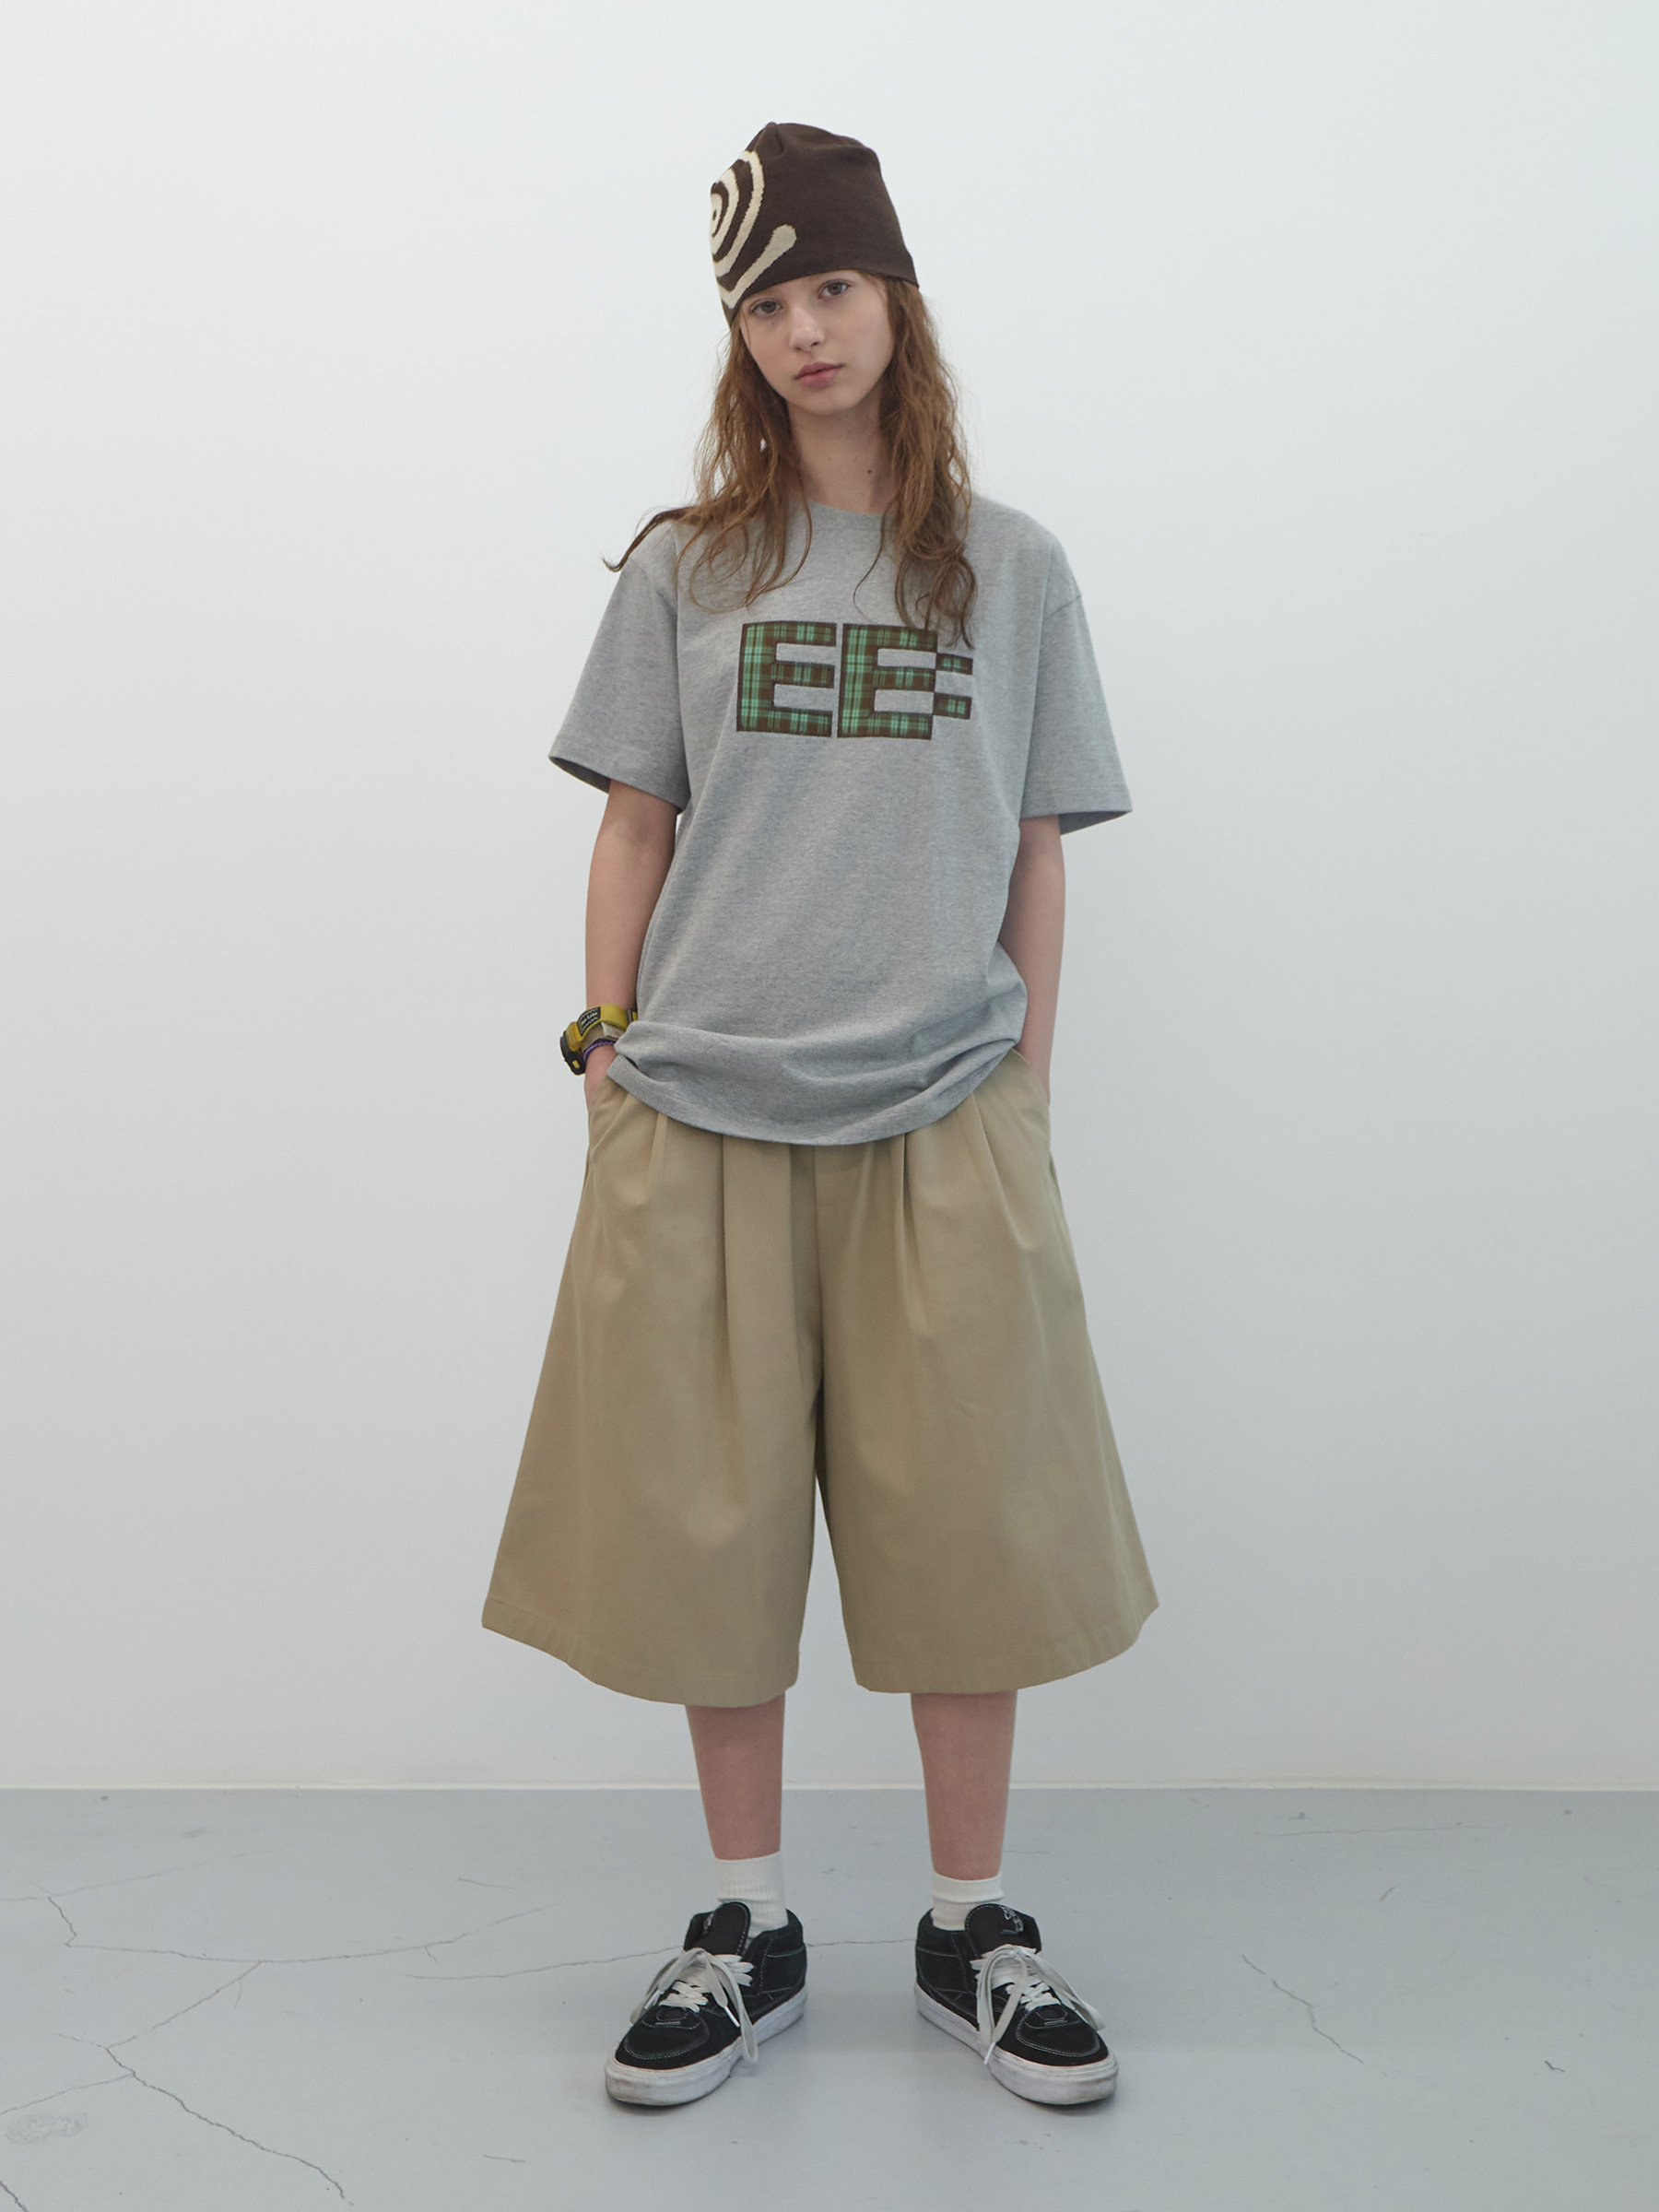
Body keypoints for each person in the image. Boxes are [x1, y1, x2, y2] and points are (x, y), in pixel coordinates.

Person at [482, 120, 1158, 2111]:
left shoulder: (1013, 567)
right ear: (742, 334)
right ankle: (748, 1924)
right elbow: (634, 823)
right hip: (705, 1104)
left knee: (973, 1531)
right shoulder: (688, 567)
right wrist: (605, 1050)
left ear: (894, 298)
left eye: (832, 287)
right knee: (709, 1534)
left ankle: (972, 1927)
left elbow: (1038, 845)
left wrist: (1026, 1090)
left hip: (944, 1103)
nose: (804, 331)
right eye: (768, 302)